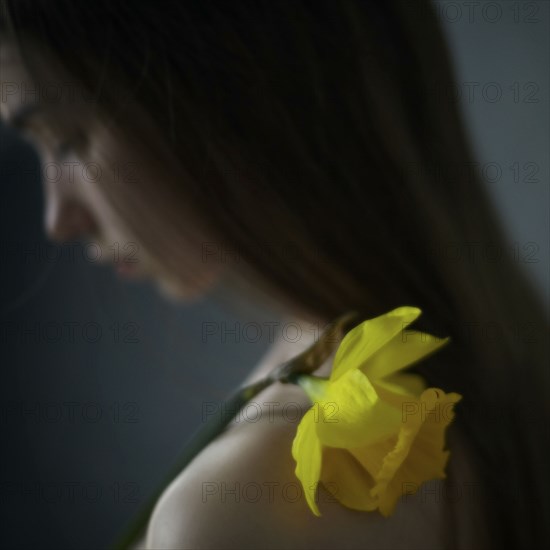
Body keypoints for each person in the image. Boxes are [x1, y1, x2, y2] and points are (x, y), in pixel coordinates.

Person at [1, 1, 547, 548]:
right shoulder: (507, 346)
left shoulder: (233, 514)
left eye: (67, 138)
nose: (57, 219)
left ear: (226, 92)